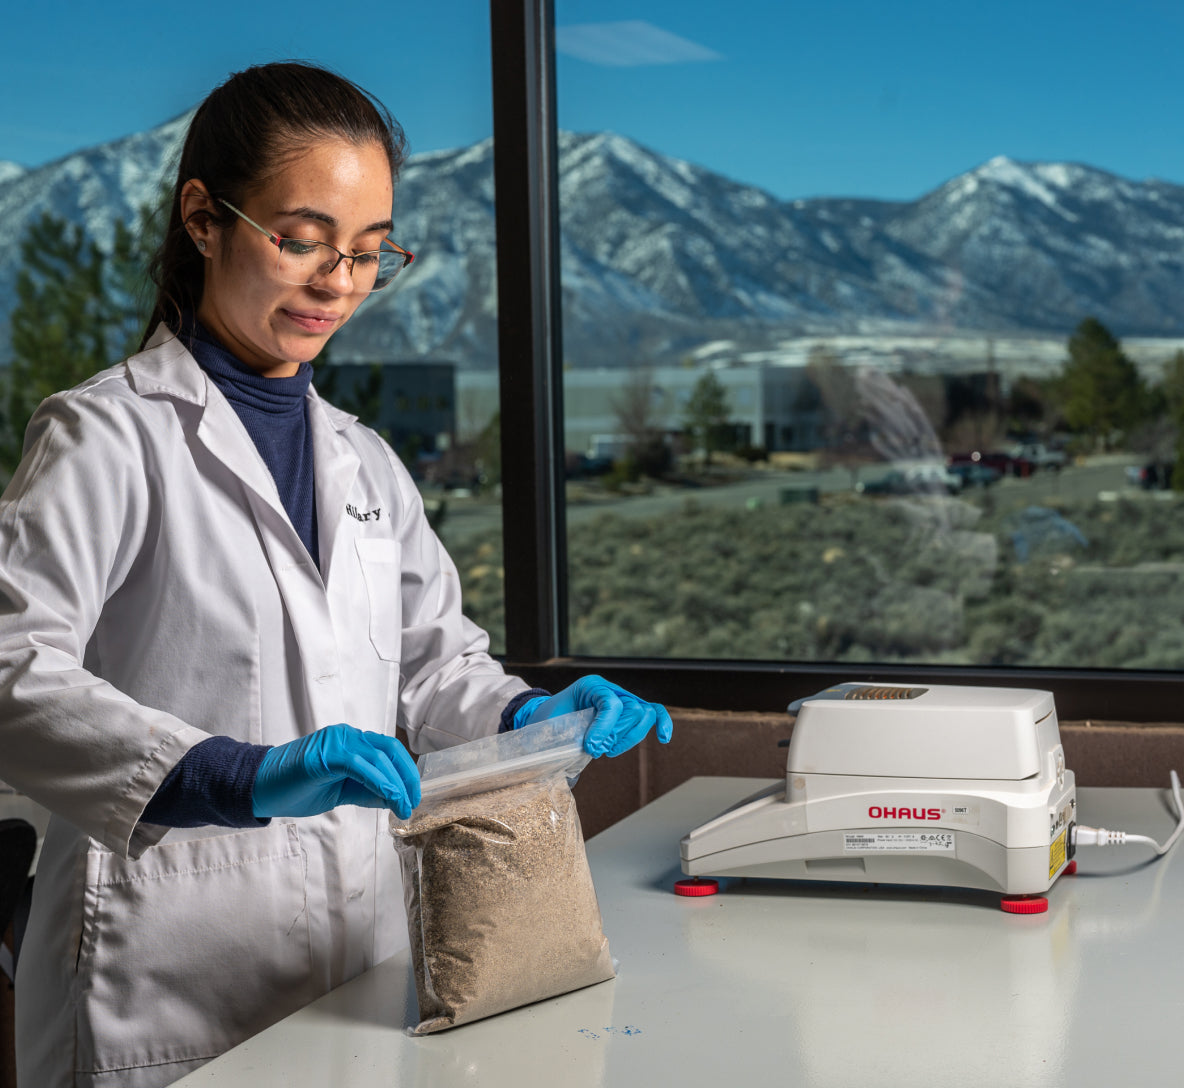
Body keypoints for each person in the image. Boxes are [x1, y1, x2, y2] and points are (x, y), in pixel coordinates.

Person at [0, 61, 672, 1088]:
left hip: (357, 971)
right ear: (202, 217)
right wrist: (237, 774)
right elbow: (12, 675)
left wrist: (530, 715)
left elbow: (433, 666)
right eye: (302, 238)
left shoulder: (362, 460)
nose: (338, 283)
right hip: (164, 981)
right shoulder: (105, 436)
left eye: (368, 252)